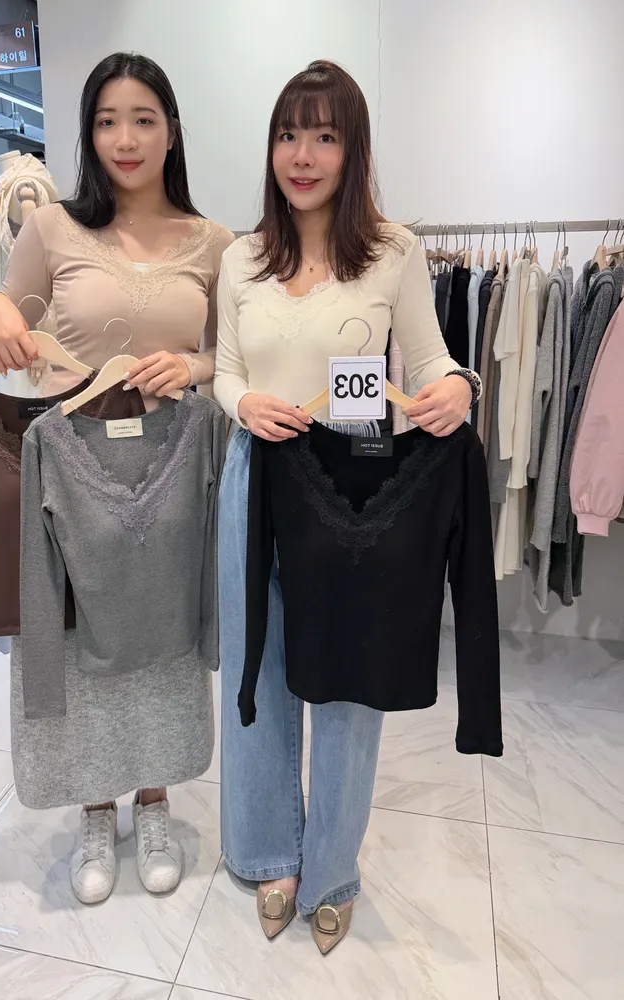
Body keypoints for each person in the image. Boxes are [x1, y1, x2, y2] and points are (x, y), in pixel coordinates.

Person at [214, 60, 479, 953]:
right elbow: (225, 370)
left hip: (354, 477)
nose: (303, 155)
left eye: (325, 136)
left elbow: (432, 358)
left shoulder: (393, 251)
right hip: (259, 471)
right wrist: (242, 403)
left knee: (349, 679)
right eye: (289, 134)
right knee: (259, 666)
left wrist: (459, 386)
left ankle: (331, 866)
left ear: (352, 149)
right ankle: (268, 851)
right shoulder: (241, 256)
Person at [0, 52, 233, 905]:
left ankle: (153, 801)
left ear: (172, 132)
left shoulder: (215, 243)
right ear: (89, 135)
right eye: (106, 121)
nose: (125, 138)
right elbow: (7, 310)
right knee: (81, 639)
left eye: (143, 119)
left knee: (162, 639)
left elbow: (234, 355)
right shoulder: (53, 228)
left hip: (173, 463)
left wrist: (193, 368)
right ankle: (96, 807)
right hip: (77, 463)